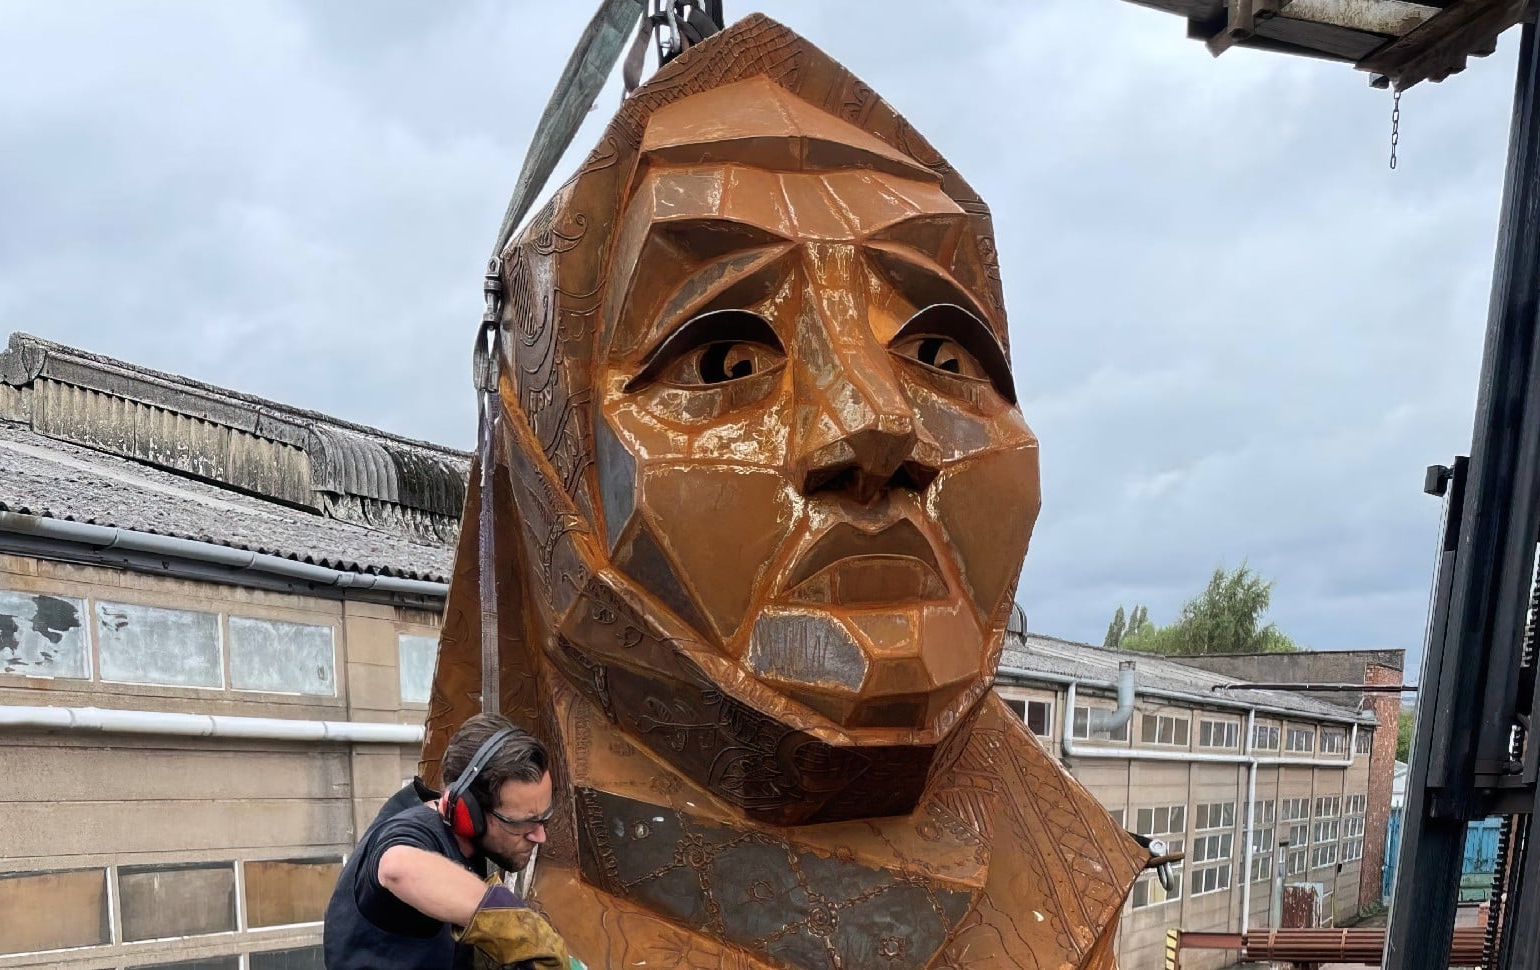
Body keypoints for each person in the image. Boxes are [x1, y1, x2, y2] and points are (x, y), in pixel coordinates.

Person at [416, 13, 1150, 969]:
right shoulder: (518, 909)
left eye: (938, 351)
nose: (877, 424)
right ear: (544, 462)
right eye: (724, 357)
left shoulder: (1067, 878)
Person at [324, 713, 578, 970]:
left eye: (544, 818)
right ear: (469, 812)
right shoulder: (413, 831)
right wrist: (526, 931)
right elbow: (397, 866)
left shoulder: (464, 844)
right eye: (522, 823)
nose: (540, 836)